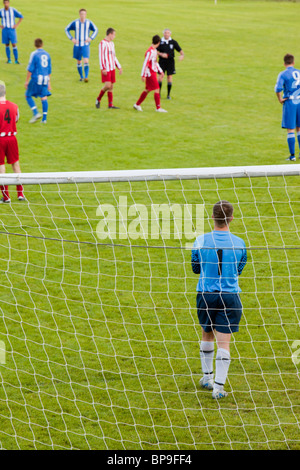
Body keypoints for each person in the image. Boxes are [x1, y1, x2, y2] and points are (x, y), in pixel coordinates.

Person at [191, 201, 247, 399]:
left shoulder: (200, 241)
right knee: (225, 342)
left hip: (206, 295)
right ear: (231, 218)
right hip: (230, 297)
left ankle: (207, 378)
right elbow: (240, 270)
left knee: (207, 334)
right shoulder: (239, 243)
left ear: (212, 217)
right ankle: (218, 388)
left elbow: (195, 268)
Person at [0, 81, 25, 203]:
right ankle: (20, 194)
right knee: (16, 165)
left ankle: (6, 197)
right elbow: (16, 119)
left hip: (0, 139)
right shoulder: (14, 106)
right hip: (12, 138)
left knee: (1, 167)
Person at [275, 54, 300, 161]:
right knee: (299, 129)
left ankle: (292, 156)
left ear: (284, 63)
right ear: (293, 62)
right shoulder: (299, 72)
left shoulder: (283, 74)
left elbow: (278, 88)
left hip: (290, 102)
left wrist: (280, 99)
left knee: (290, 129)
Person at [133, 35, 167, 113]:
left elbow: (155, 63)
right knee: (157, 88)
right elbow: (145, 63)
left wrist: (160, 71)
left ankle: (137, 104)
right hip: (150, 73)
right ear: (158, 43)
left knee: (147, 89)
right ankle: (158, 108)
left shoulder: (154, 51)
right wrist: (143, 75)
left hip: (153, 72)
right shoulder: (150, 52)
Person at [65, 8, 98, 82]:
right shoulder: (75, 22)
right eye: (81, 14)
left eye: (84, 14)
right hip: (77, 45)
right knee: (79, 61)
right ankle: (81, 76)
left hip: (85, 45)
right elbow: (66, 29)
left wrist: (91, 38)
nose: (83, 15)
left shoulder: (89, 23)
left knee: (86, 60)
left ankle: (86, 77)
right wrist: (72, 38)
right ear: (79, 14)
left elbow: (96, 30)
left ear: (86, 15)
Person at [25, 38, 52, 124]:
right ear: (42, 44)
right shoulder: (47, 54)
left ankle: (36, 113)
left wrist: (26, 81)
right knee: (43, 97)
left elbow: (30, 69)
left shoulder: (34, 54)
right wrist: (49, 82)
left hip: (36, 78)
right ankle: (44, 119)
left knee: (27, 95)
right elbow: (49, 70)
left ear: (35, 45)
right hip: (45, 79)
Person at [95, 28, 122, 109]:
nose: (114, 36)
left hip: (112, 67)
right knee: (107, 85)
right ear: (110, 34)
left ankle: (110, 105)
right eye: (114, 34)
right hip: (106, 68)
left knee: (111, 86)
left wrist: (119, 66)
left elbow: (114, 56)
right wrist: (103, 68)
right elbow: (101, 56)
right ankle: (98, 99)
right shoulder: (102, 43)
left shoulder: (112, 44)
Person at [157, 29, 184, 99]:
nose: (166, 34)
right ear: (163, 34)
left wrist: (182, 55)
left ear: (170, 34)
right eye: (165, 33)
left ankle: (168, 95)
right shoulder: (160, 42)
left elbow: (180, 50)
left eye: (168, 33)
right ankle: (158, 94)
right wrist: (161, 54)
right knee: (160, 77)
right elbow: (154, 51)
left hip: (170, 62)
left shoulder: (173, 42)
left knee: (169, 77)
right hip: (162, 62)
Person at [0, 0, 23, 64]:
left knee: (14, 44)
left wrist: (16, 25)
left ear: (9, 3)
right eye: (5, 3)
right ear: (3, 4)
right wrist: (0, 26)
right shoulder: (1, 11)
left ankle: (16, 60)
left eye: (7, 3)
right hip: (5, 30)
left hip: (12, 30)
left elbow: (21, 17)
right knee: (7, 44)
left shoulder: (13, 10)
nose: (6, 4)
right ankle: (9, 60)